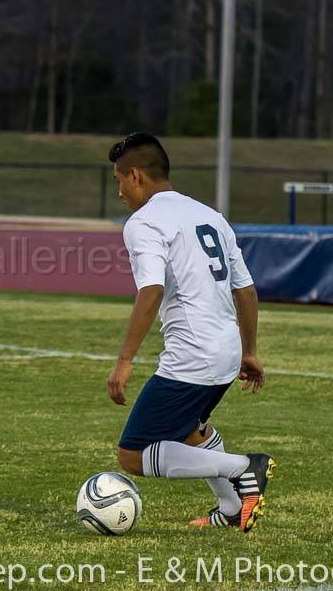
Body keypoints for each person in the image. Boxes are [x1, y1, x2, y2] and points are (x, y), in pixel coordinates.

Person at [106, 132, 273, 532]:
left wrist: (124, 361)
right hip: (226, 351)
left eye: (118, 181)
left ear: (135, 176)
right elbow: (245, 289)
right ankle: (233, 510)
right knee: (190, 432)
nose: (119, 193)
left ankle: (243, 467)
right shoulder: (210, 215)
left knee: (132, 454)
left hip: (192, 357)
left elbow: (151, 290)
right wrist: (248, 352)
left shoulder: (144, 222)